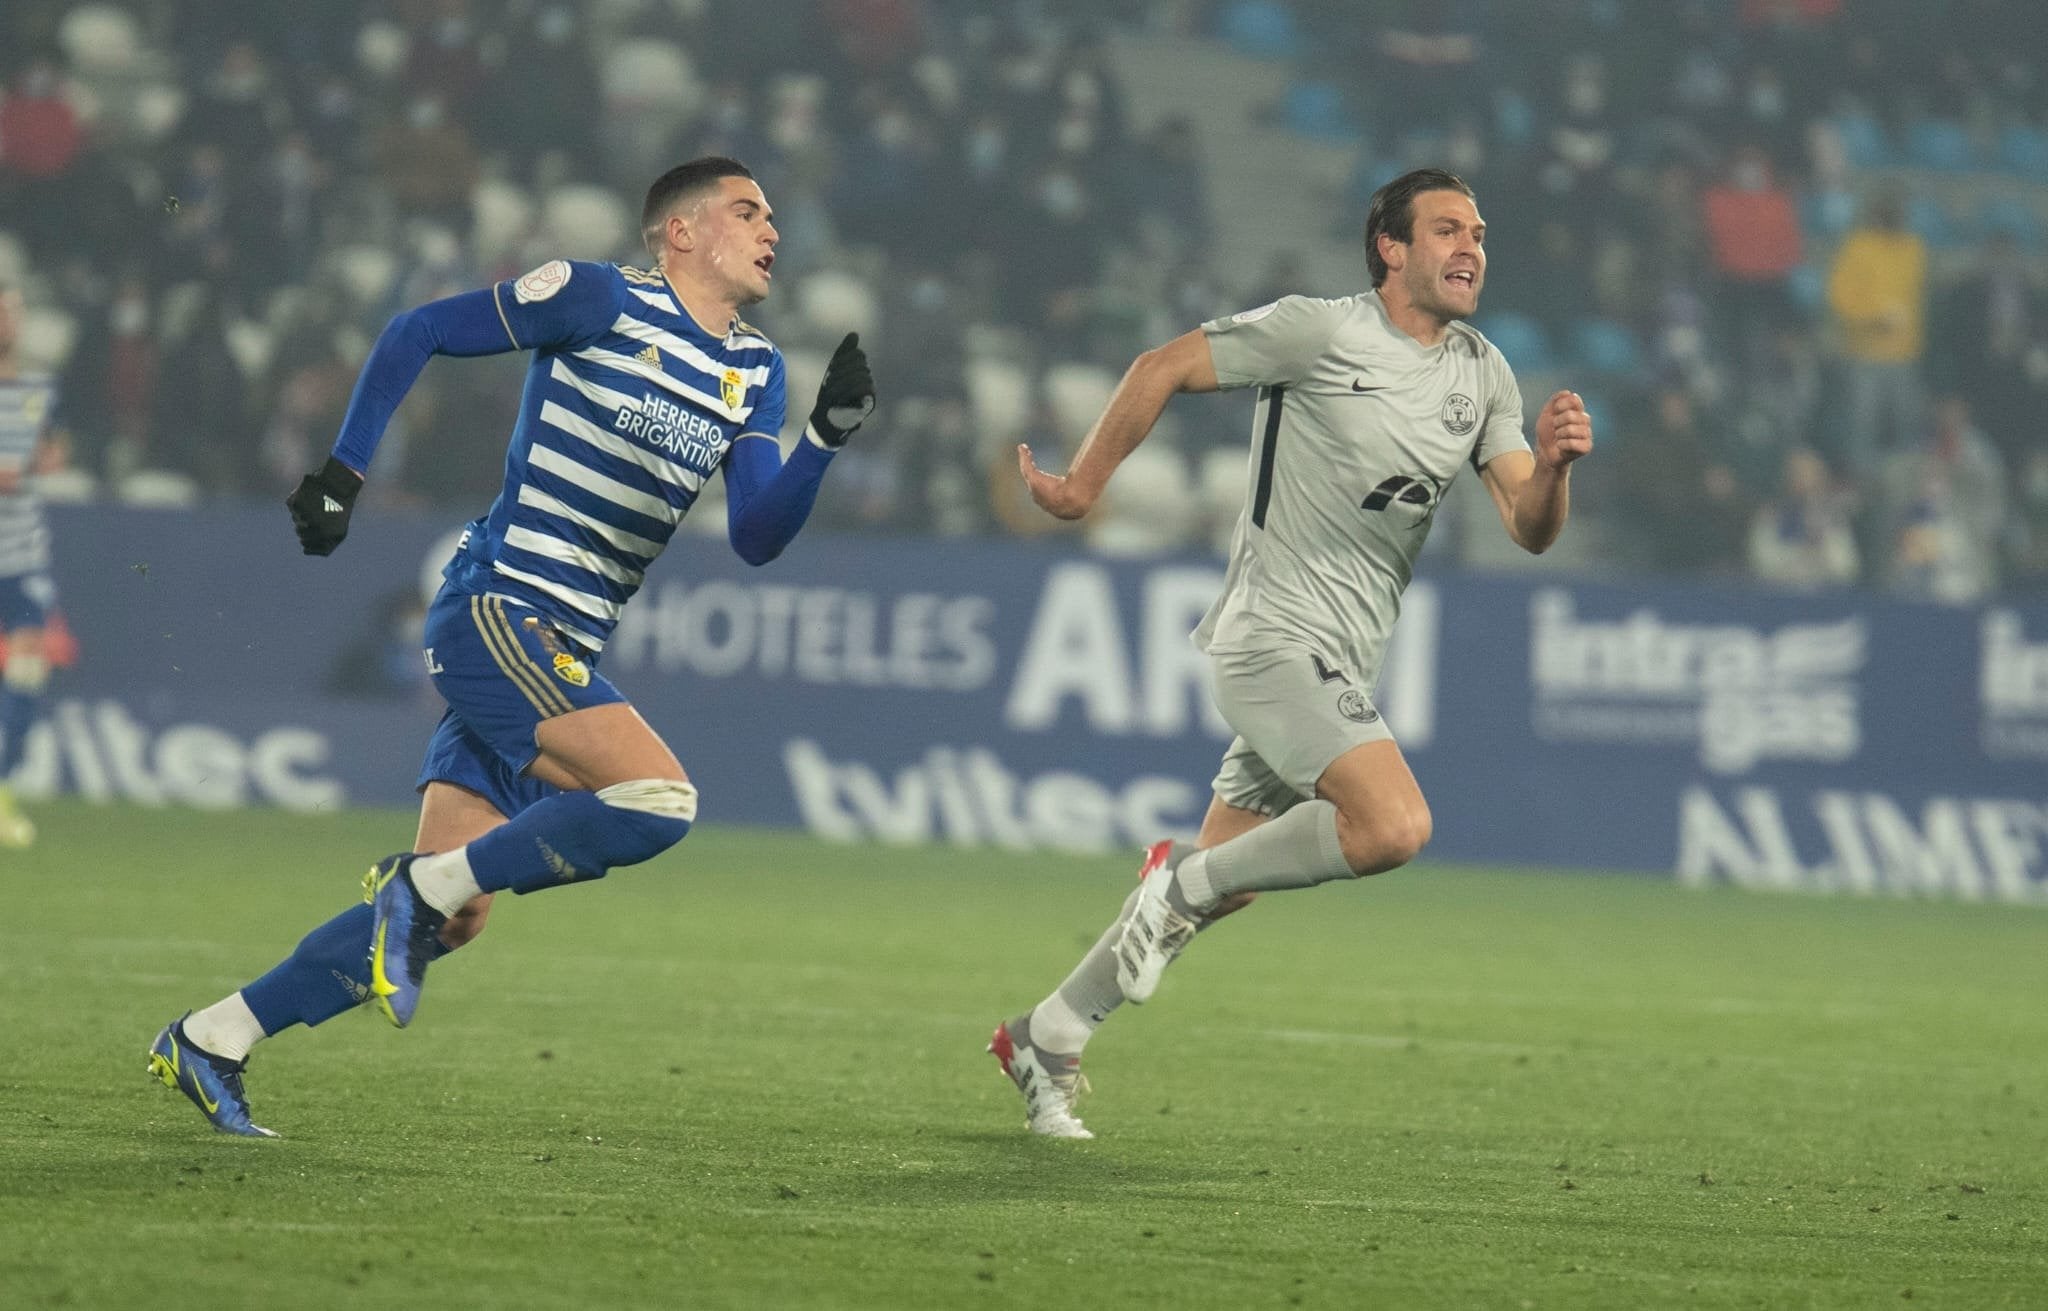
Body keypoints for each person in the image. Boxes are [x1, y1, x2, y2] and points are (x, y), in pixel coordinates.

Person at [148, 156, 876, 1137]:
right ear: (681, 231)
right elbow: (416, 331)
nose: (771, 231)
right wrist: (342, 476)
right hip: (500, 608)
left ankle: (213, 1036)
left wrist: (821, 441)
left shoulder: (757, 370)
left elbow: (754, 535)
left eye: (772, 217)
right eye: (748, 212)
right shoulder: (598, 297)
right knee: (658, 799)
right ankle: (413, 890)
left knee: (452, 915)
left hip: (564, 644)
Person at [989, 168, 1593, 1138]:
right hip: (1271, 638)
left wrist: (1554, 468)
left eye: (1478, 232)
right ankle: (1176, 880)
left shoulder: (1482, 373)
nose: (1471, 247)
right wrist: (1082, 487)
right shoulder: (1318, 331)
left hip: (1341, 662)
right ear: (1391, 247)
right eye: (1447, 229)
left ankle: (1047, 1035)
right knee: (1390, 825)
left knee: (1222, 886)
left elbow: (1528, 525)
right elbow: (1160, 365)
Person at [0, 280, 63, 846]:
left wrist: (44, 455)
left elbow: (54, 447)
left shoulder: (37, 386)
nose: (9, 322)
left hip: (21, 555)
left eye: (14, 312)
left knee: (26, 672)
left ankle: (2, 793)